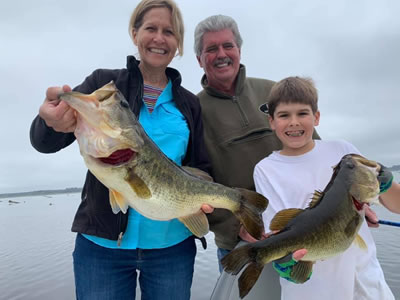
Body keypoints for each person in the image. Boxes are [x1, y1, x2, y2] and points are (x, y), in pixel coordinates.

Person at [29, 1, 212, 299]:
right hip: (101, 249)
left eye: (169, 31)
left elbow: (200, 165)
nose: (159, 38)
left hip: (172, 248)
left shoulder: (190, 103)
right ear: (134, 33)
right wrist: (49, 122)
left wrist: (205, 200)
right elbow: (45, 142)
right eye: (151, 28)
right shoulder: (104, 86)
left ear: (177, 42)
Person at [254, 76, 400, 299]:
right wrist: (285, 264)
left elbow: (396, 205)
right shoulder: (266, 169)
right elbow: (279, 227)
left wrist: (386, 184)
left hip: (368, 285)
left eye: (302, 113)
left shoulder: (343, 151)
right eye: (284, 115)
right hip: (310, 292)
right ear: (271, 121)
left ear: (317, 117)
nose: (294, 122)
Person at [194, 14, 318, 270]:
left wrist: (354, 203)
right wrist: (236, 227)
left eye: (228, 45)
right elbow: (193, 184)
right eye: (211, 49)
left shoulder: (273, 92)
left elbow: (320, 154)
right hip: (242, 246)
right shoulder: (192, 111)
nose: (222, 54)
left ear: (239, 50)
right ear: (199, 59)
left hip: (305, 232)